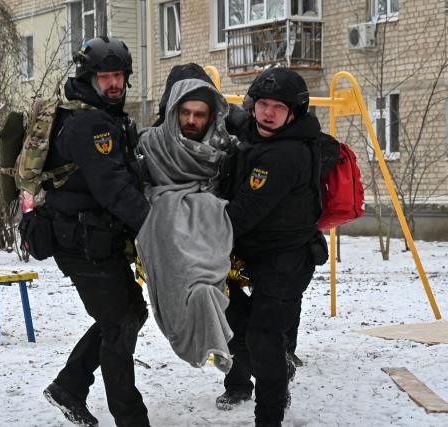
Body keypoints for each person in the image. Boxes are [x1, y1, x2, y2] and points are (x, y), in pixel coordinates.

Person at [41, 36, 151, 427]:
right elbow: (113, 188)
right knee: (120, 324)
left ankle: (69, 386)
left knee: (129, 313)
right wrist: (154, 227)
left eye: (119, 75)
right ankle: (131, 419)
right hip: (81, 241)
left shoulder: (106, 116)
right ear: (89, 78)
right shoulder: (90, 123)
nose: (114, 83)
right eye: (105, 76)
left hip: (97, 238)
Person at [217, 68, 327, 427]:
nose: (267, 112)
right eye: (262, 103)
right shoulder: (258, 133)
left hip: (287, 258)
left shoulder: (286, 154)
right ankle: (276, 368)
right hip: (256, 253)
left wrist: (189, 232)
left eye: (278, 106)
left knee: (263, 338)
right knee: (237, 322)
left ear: (294, 111)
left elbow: (242, 214)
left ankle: (269, 417)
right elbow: (235, 122)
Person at [135, 78, 237, 373]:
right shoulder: (152, 143)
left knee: (207, 284)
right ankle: (191, 320)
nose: (191, 120)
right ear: (174, 111)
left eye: (199, 114)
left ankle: (209, 313)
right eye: (185, 112)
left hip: (208, 228)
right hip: (165, 227)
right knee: (179, 279)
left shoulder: (222, 149)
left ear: (211, 116)